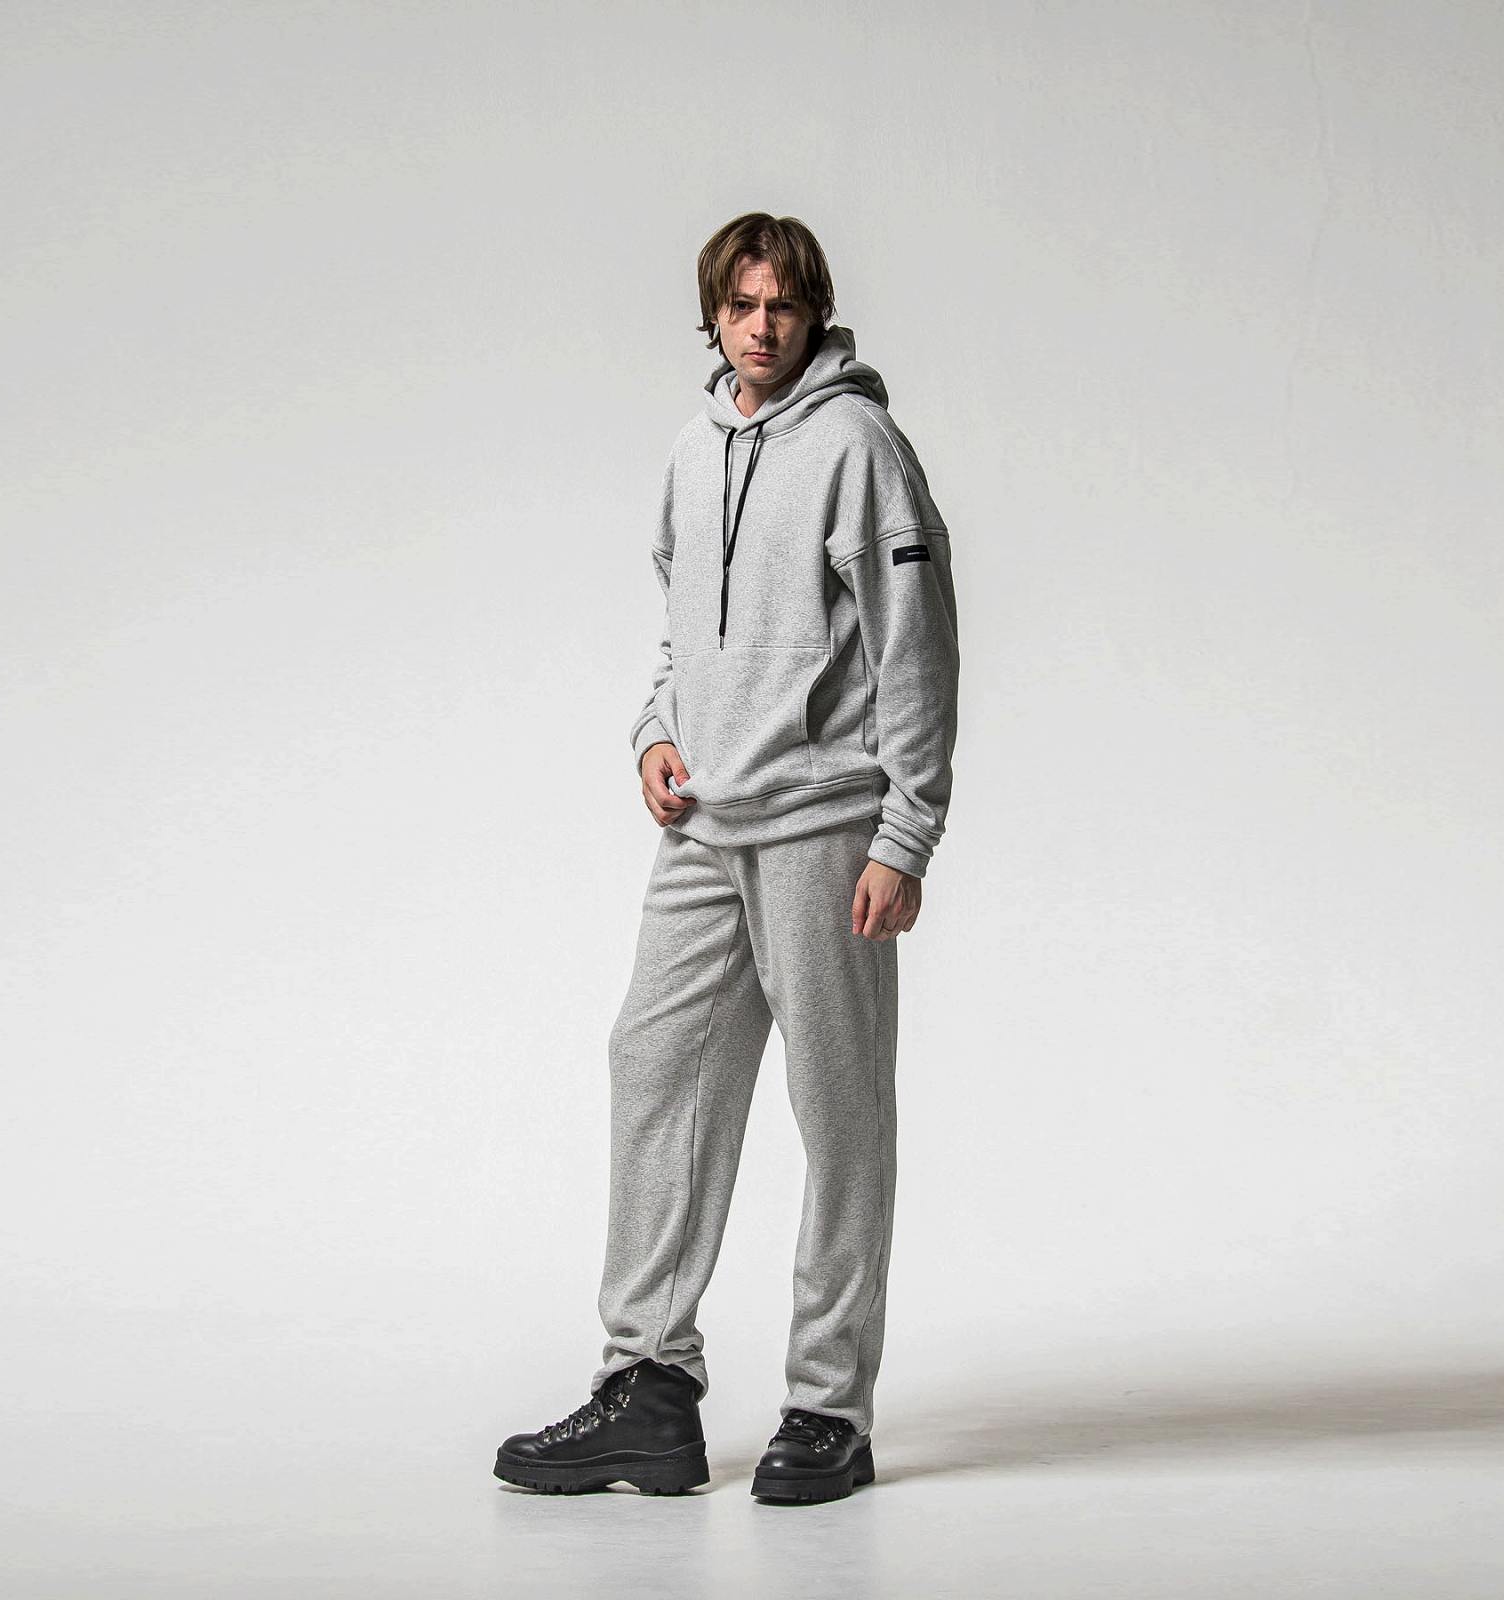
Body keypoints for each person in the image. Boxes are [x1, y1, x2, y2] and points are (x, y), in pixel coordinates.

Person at [494, 212, 960, 1505]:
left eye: (783, 306)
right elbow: (682, 632)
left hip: (822, 827)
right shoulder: (691, 451)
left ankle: (829, 1408)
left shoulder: (859, 447)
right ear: (713, 314)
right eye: (742, 305)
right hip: (703, 828)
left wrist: (906, 830)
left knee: (839, 1113)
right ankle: (649, 1385)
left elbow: (918, 647)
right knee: (653, 1064)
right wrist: (657, 730)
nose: (762, 326)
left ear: (815, 315)